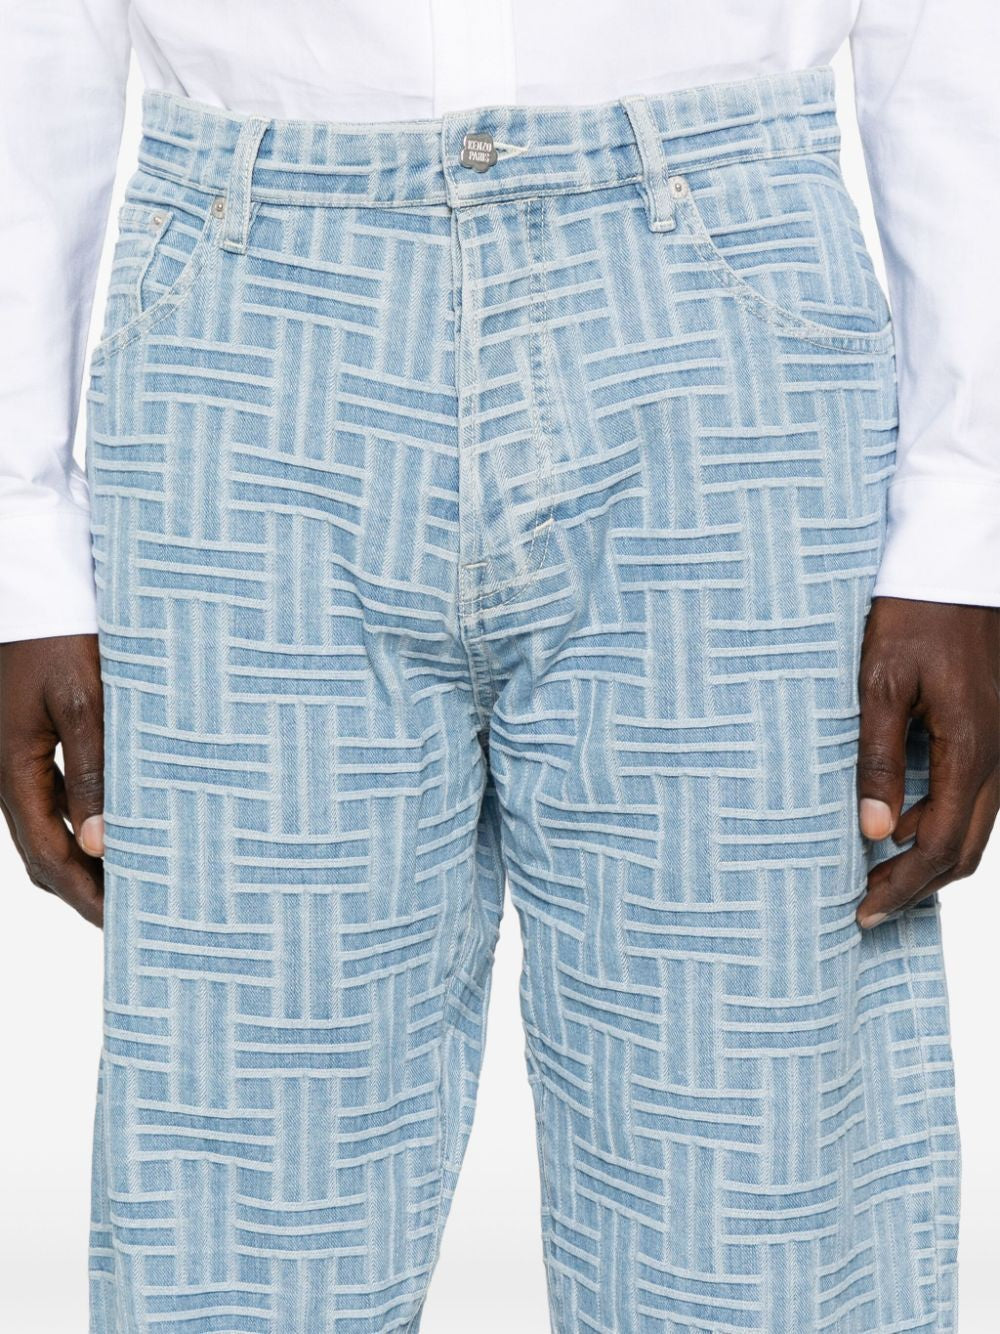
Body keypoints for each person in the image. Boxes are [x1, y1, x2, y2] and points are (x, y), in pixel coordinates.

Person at [1, 3, 997, 1331]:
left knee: (757, 1221)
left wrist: (965, 515)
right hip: (248, 339)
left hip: (721, 349)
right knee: (234, 1231)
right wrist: (19, 537)